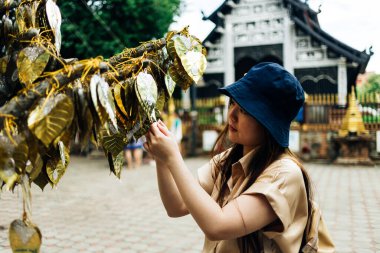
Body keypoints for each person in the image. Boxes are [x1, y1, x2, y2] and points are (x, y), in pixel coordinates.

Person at [143, 63, 316, 252]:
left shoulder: (284, 174)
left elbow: (218, 226)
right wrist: (161, 158)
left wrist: (173, 158)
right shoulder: (227, 159)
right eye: (232, 102)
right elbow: (176, 206)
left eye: (245, 110)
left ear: (270, 122)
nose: (232, 115)